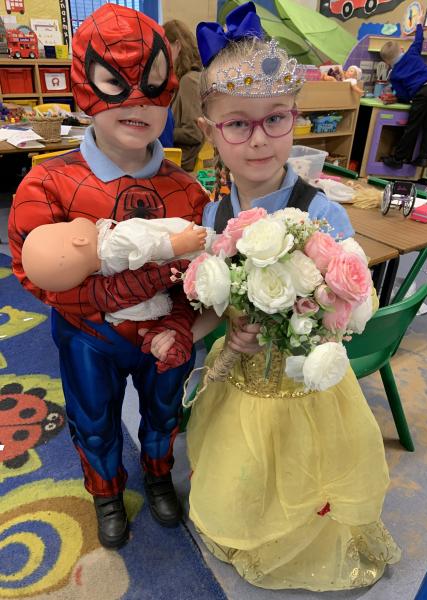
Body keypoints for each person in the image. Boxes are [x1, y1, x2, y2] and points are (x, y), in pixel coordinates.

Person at [185, 2, 401, 591]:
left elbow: (353, 304)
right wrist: (226, 325)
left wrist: (310, 318)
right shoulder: (214, 214)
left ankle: (301, 536)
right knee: (247, 459)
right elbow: (218, 298)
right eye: (238, 124)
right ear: (210, 131)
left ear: (295, 118)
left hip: (305, 380)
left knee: (303, 464)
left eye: (275, 119)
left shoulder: (323, 212)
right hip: (241, 374)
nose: (258, 140)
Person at [8, 4, 209, 550]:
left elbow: (199, 277)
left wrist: (182, 323)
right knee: (92, 418)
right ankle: (105, 492)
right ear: (85, 85)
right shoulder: (47, 184)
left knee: (165, 412)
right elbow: (36, 272)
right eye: (115, 83)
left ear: (169, 89)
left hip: (162, 330)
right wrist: (114, 291)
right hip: (87, 335)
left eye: (151, 84)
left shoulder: (188, 192)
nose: (136, 101)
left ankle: (158, 476)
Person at [21, 217, 212, 328]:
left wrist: (163, 306)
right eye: (66, 225)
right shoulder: (116, 240)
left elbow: (138, 308)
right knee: (216, 247)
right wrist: (178, 244)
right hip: (194, 243)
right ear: (79, 241)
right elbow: (150, 244)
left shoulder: (105, 275)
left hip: (181, 275)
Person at [380, 20, 427, 169]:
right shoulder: (412, 53)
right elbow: (419, 39)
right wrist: (419, 26)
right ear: (401, 49)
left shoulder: (394, 74)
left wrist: (396, 98)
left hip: (422, 94)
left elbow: (405, 95)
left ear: (387, 62)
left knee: (412, 127)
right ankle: (423, 158)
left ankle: (398, 159)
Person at [163, 20, 204, 172]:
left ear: (178, 46)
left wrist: (158, 131)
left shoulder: (189, 80)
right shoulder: (184, 78)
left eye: (165, 48)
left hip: (183, 161)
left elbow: (194, 133)